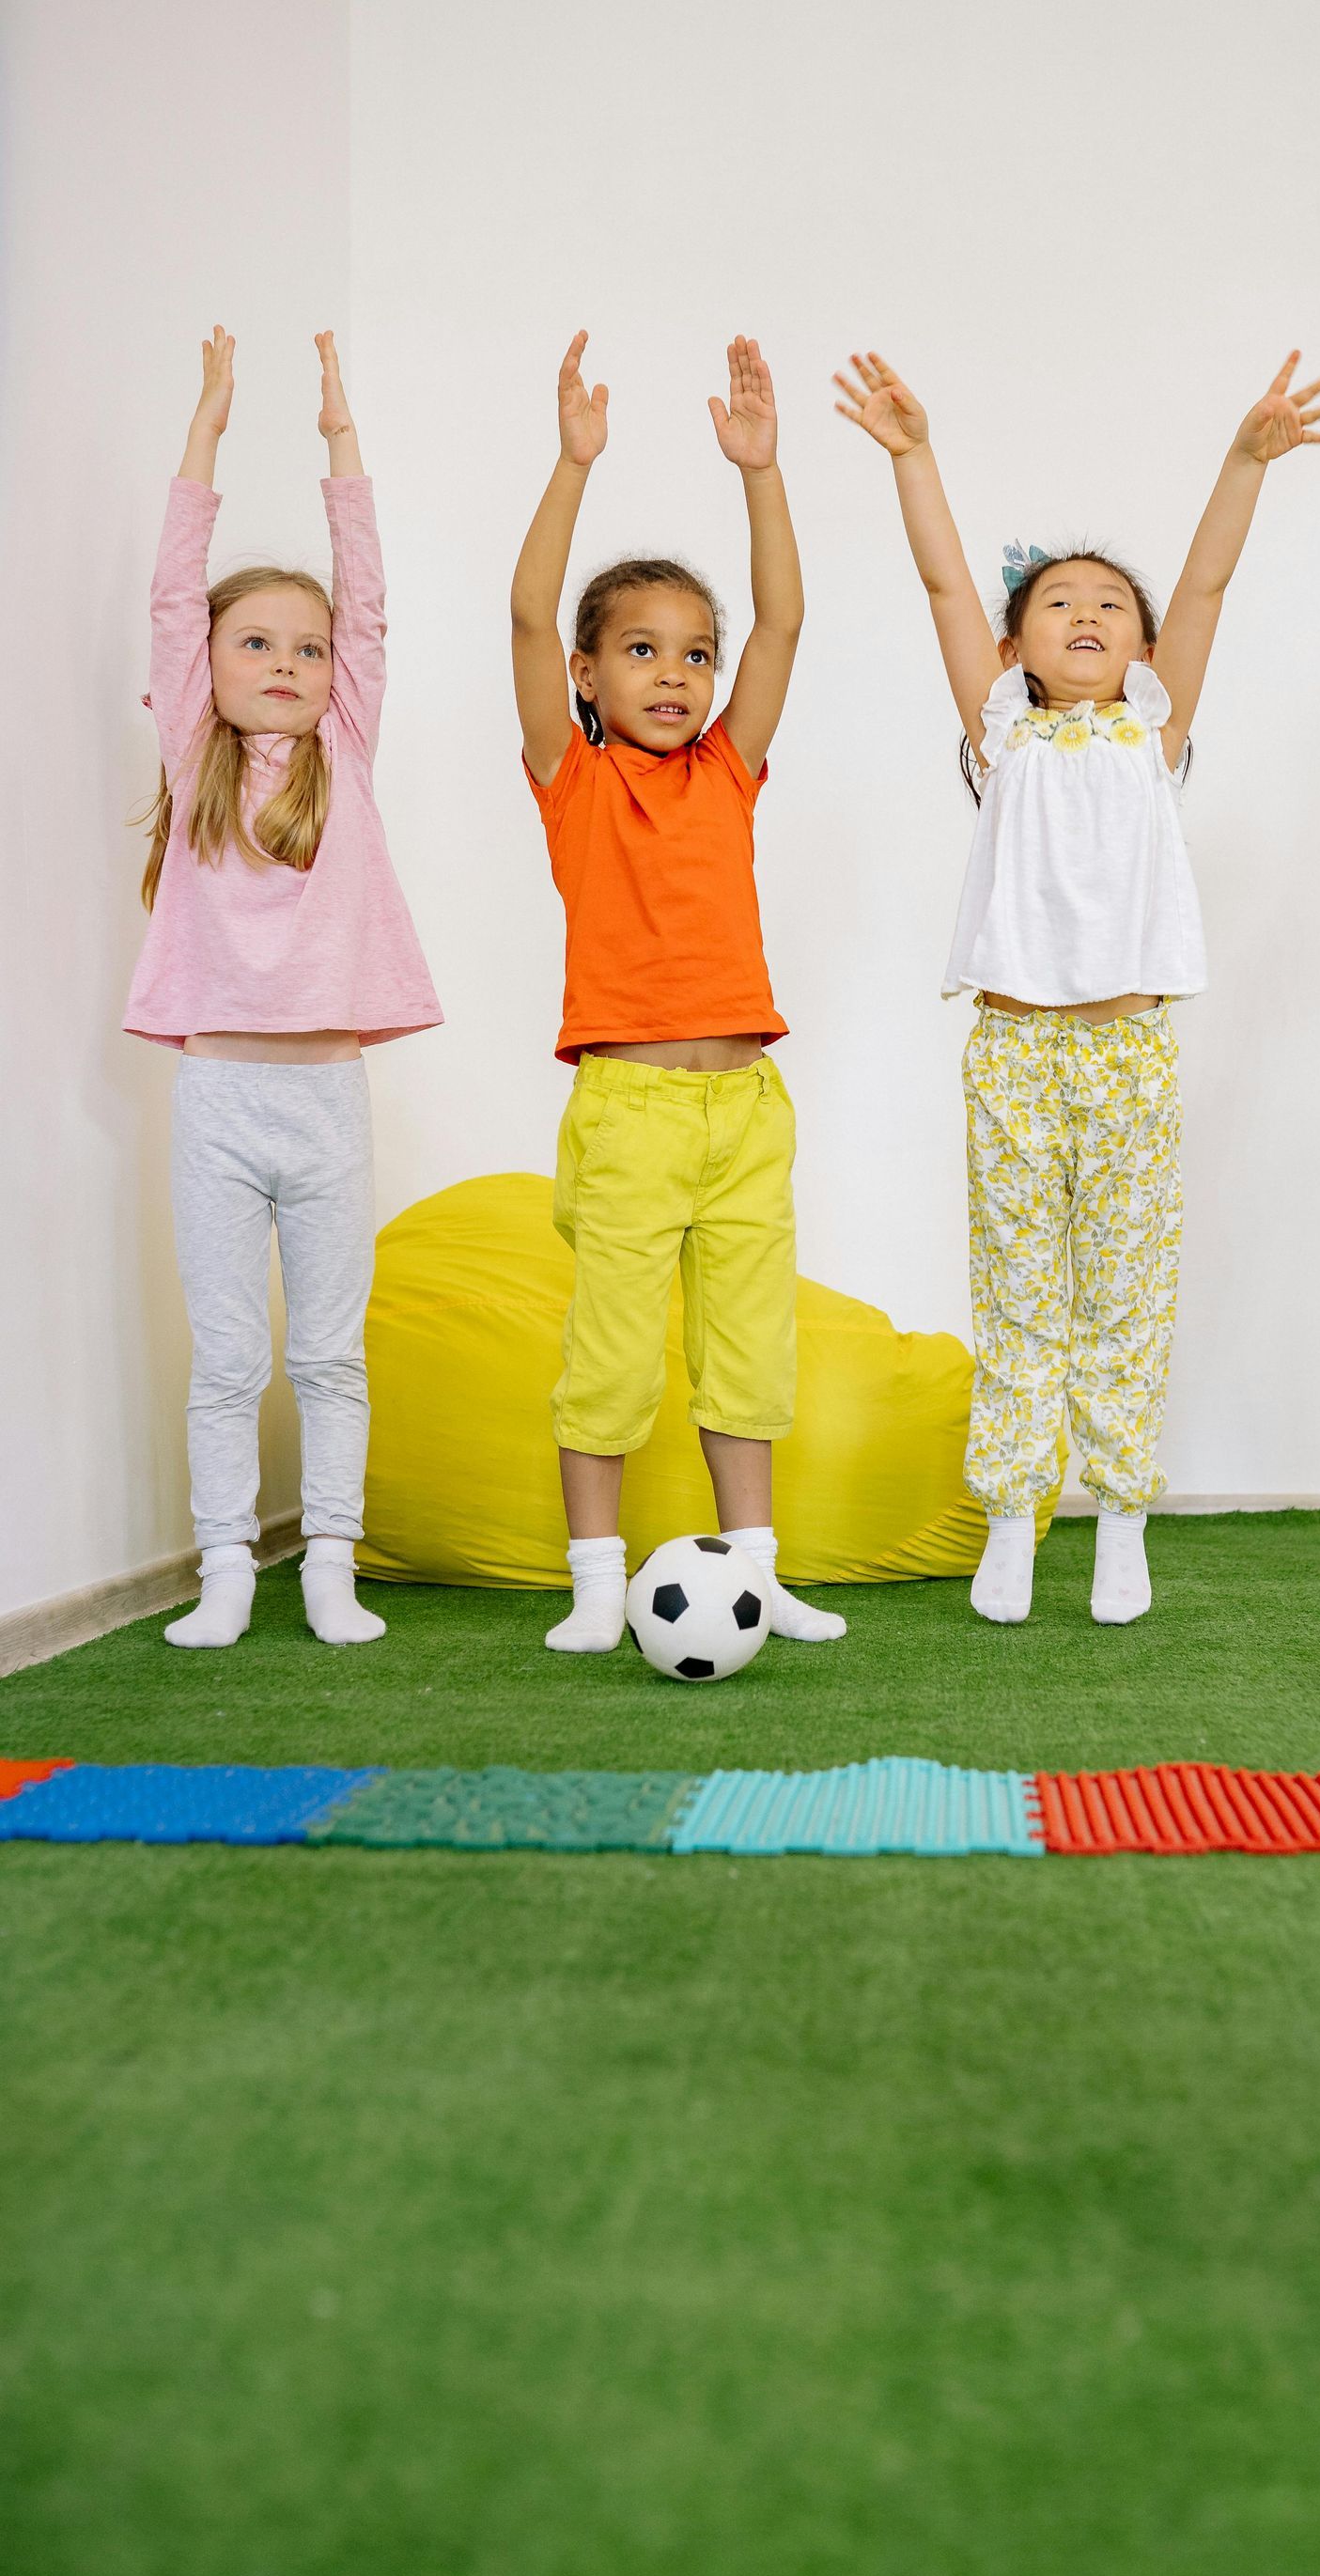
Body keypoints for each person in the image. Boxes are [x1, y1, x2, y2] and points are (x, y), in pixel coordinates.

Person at [833, 346, 1320, 1624]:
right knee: (1020, 1294)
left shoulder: (1150, 736)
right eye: (1059, 603)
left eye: (1112, 604)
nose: (1087, 617)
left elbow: (1211, 583)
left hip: (1128, 1053)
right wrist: (911, 454)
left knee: (1125, 1291)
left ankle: (1121, 1519)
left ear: (1145, 647)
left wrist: (1245, 460)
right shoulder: (1004, 736)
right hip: (1013, 1051)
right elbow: (946, 582)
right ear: (1016, 647)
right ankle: (1016, 1513)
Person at [511, 331, 844, 1654]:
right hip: (632, 1108)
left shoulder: (729, 770)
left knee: (749, 1354)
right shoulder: (572, 780)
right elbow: (527, 615)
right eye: (640, 651)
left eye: (691, 654)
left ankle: (755, 1575)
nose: (673, 673)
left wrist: (762, 473)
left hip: (747, 1107)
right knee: (608, 1356)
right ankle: (600, 1587)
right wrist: (572, 464)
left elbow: (787, 621)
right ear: (590, 678)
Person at [132, 328, 442, 1650]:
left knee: (327, 1352)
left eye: (308, 651)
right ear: (210, 666)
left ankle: (328, 1560)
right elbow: (168, 594)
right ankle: (224, 1570)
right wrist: (206, 426)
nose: (289, 665)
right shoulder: (194, 745)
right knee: (229, 1358)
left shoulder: (348, 751)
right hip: (218, 1096)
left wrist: (339, 443)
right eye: (257, 643)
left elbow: (367, 596)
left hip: (324, 1101)